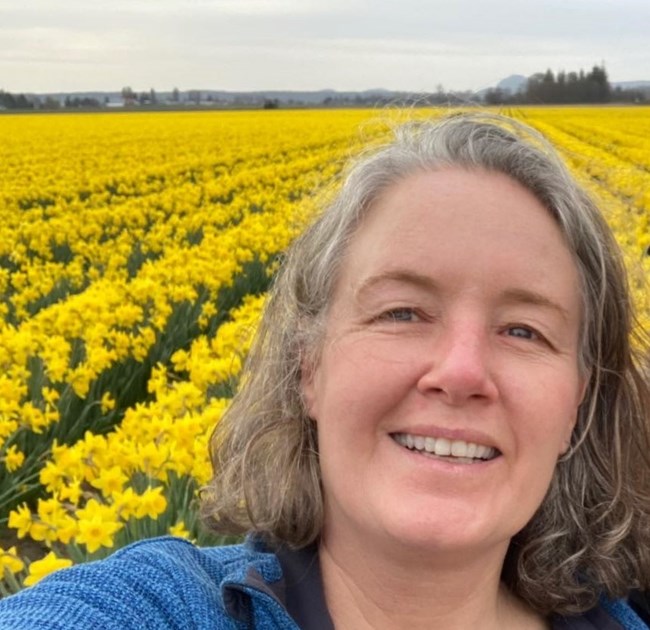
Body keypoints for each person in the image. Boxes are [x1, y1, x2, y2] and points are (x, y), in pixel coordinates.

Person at [1, 112, 649, 629]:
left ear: (576, 407)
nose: (460, 370)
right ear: (308, 365)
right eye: (402, 312)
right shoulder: (169, 607)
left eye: (522, 330)